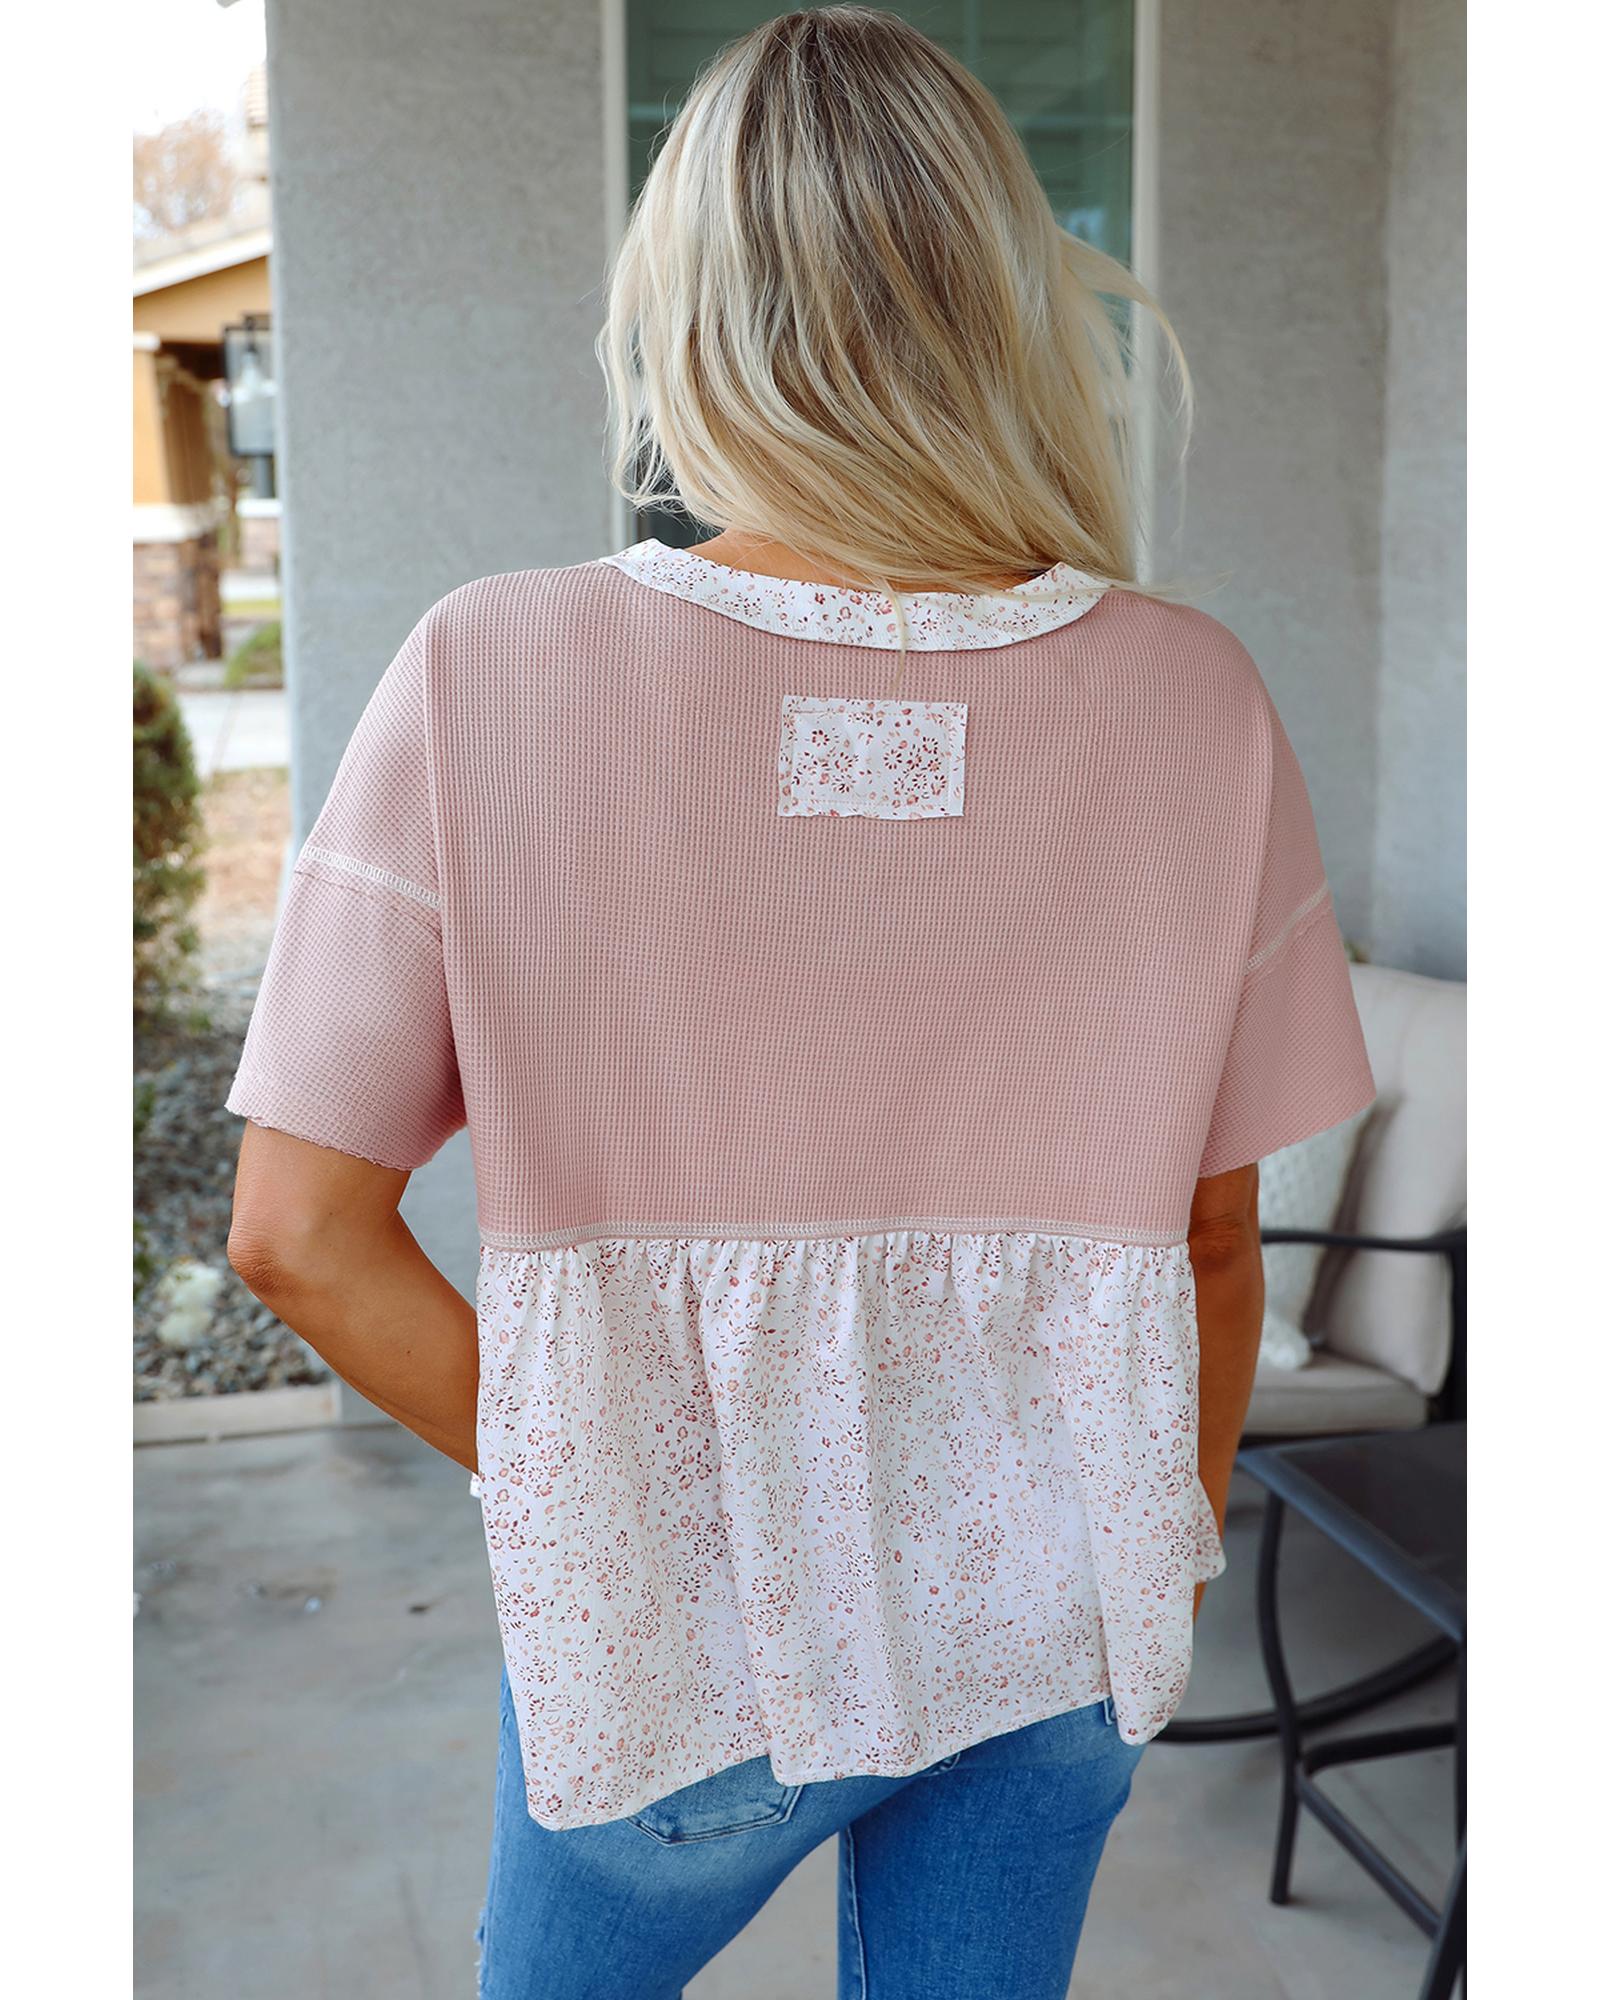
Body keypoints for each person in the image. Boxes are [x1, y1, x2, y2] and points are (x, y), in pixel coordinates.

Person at [224, 10, 1375, 1997]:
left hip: (678, 1650)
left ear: (681, 312)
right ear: (1006, 308)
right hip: (1053, 1622)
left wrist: (616, 1509)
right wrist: (1153, 1562)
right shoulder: (1191, 697)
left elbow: (299, 1234)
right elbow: (1206, 1244)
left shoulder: (491, 670)